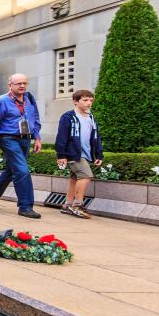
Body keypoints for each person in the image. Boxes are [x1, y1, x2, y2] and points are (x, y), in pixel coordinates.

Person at [0, 73, 43, 218]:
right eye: (18, 83)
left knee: (12, 170)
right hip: (8, 138)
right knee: (22, 171)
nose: (22, 86)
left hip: (25, 139)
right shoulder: (1, 101)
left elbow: (35, 118)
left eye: (24, 83)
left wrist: (37, 137)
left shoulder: (29, 99)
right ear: (10, 85)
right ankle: (25, 206)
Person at [55, 88, 103, 218]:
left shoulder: (91, 117)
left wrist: (99, 154)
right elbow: (61, 137)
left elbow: (96, 137)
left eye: (91, 100)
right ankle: (77, 205)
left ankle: (67, 205)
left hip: (86, 153)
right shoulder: (68, 117)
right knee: (86, 175)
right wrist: (61, 155)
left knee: (74, 178)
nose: (89, 103)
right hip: (73, 154)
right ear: (75, 101)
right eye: (85, 100)